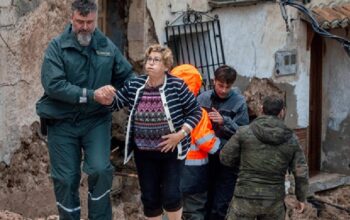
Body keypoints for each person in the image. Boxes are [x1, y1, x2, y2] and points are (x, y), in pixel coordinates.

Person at [35, 0, 134, 219]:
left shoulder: (106, 46)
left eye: (89, 22)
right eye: (80, 21)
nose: (85, 27)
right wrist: (92, 95)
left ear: (95, 19)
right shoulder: (57, 47)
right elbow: (53, 85)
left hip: (96, 121)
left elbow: (127, 76)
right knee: (66, 178)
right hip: (61, 121)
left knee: (100, 170)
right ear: (72, 18)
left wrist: (123, 94)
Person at [98, 45, 202, 220]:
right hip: (144, 151)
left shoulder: (177, 85)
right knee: (150, 197)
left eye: (156, 60)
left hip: (172, 151)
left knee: (171, 195)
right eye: (149, 59)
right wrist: (106, 96)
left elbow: (195, 111)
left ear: (166, 66)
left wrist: (180, 135)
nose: (151, 63)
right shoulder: (135, 84)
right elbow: (116, 103)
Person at [220, 95, 309, 220]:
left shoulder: (244, 132)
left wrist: (243, 162)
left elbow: (225, 158)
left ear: (262, 109)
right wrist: (301, 197)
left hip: (244, 197)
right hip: (274, 201)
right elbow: (301, 171)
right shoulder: (291, 139)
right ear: (282, 112)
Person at [196, 65, 249, 220]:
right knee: (204, 200)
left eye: (228, 86)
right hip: (204, 159)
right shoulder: (202, 98)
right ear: (214, 81)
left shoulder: (239, 102)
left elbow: (243, 133)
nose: (224, 90)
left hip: (228, 160)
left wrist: (223, 121)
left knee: (221, 204)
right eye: (220, 85)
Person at [171, 64, 221, 220]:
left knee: (171, 210)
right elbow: (207, 143)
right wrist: (221, 144)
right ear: (195, 85)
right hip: (194, 176)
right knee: (194, 212)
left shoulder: (162, 110)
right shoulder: (198, 112)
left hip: (169, 173)